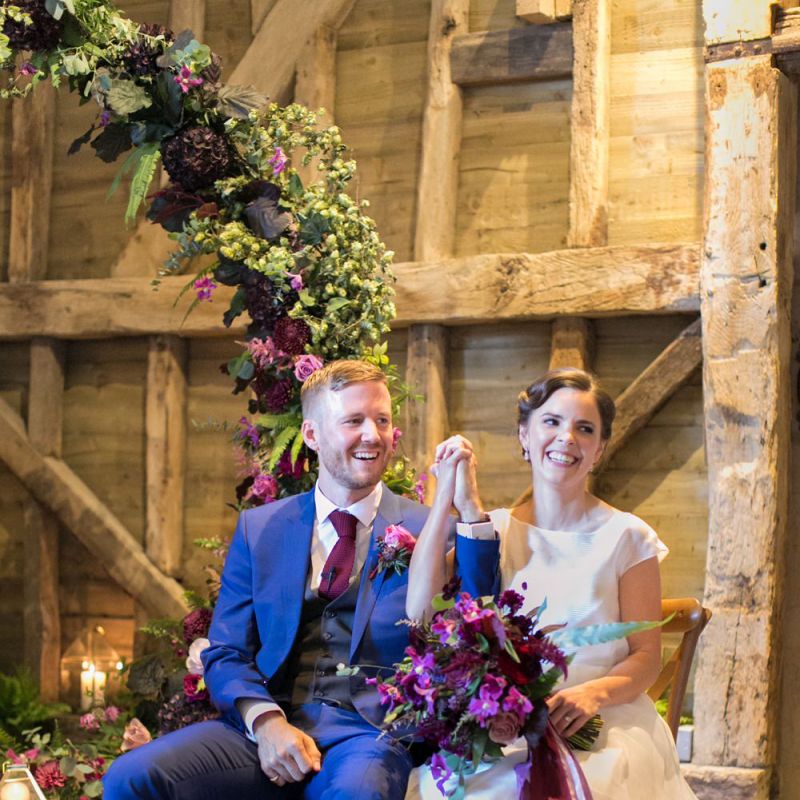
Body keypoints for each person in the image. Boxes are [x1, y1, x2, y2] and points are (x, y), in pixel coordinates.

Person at [105, 359, 447, 800]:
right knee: (131, 777)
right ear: (311, 435)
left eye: (382, 420)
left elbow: (473, 615)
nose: (373, 435)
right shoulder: (260, 529)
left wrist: (470, 509)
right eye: (354, 421)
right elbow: (227, 650)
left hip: (368, 737)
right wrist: (266, 723)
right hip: (269, 726)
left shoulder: (428, 527)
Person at [404, 368, 698, 800]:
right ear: (524, 434)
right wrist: (452, 495)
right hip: (505, 728)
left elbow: (645, 658)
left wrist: (593, 695)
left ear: (599, 448)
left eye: (585, 428)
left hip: (601, 723)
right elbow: (421, 610)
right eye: (552, 422)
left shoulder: (628, 537)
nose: (567, 438)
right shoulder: (492, 531)